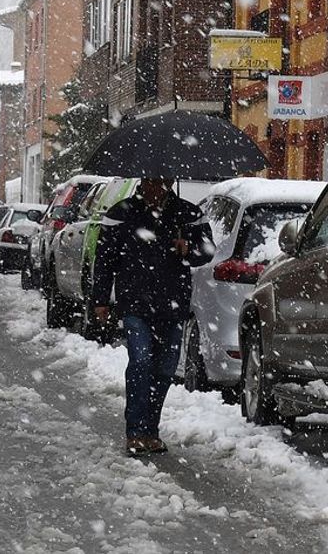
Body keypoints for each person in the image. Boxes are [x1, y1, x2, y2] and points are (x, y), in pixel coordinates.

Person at [92, 178, 213, 455]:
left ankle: (151, 429)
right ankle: (134, 431)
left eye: (163, 180)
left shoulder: (189, 214)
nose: (156, 186)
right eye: (151, 180)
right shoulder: (120, 214)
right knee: (141, 361)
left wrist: (189, 250)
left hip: (172, 305)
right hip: (134, 303)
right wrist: (100, 300)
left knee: (165, 370)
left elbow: (207, 251)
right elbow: (105, 259)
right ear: (143, 180)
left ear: (170, 181)